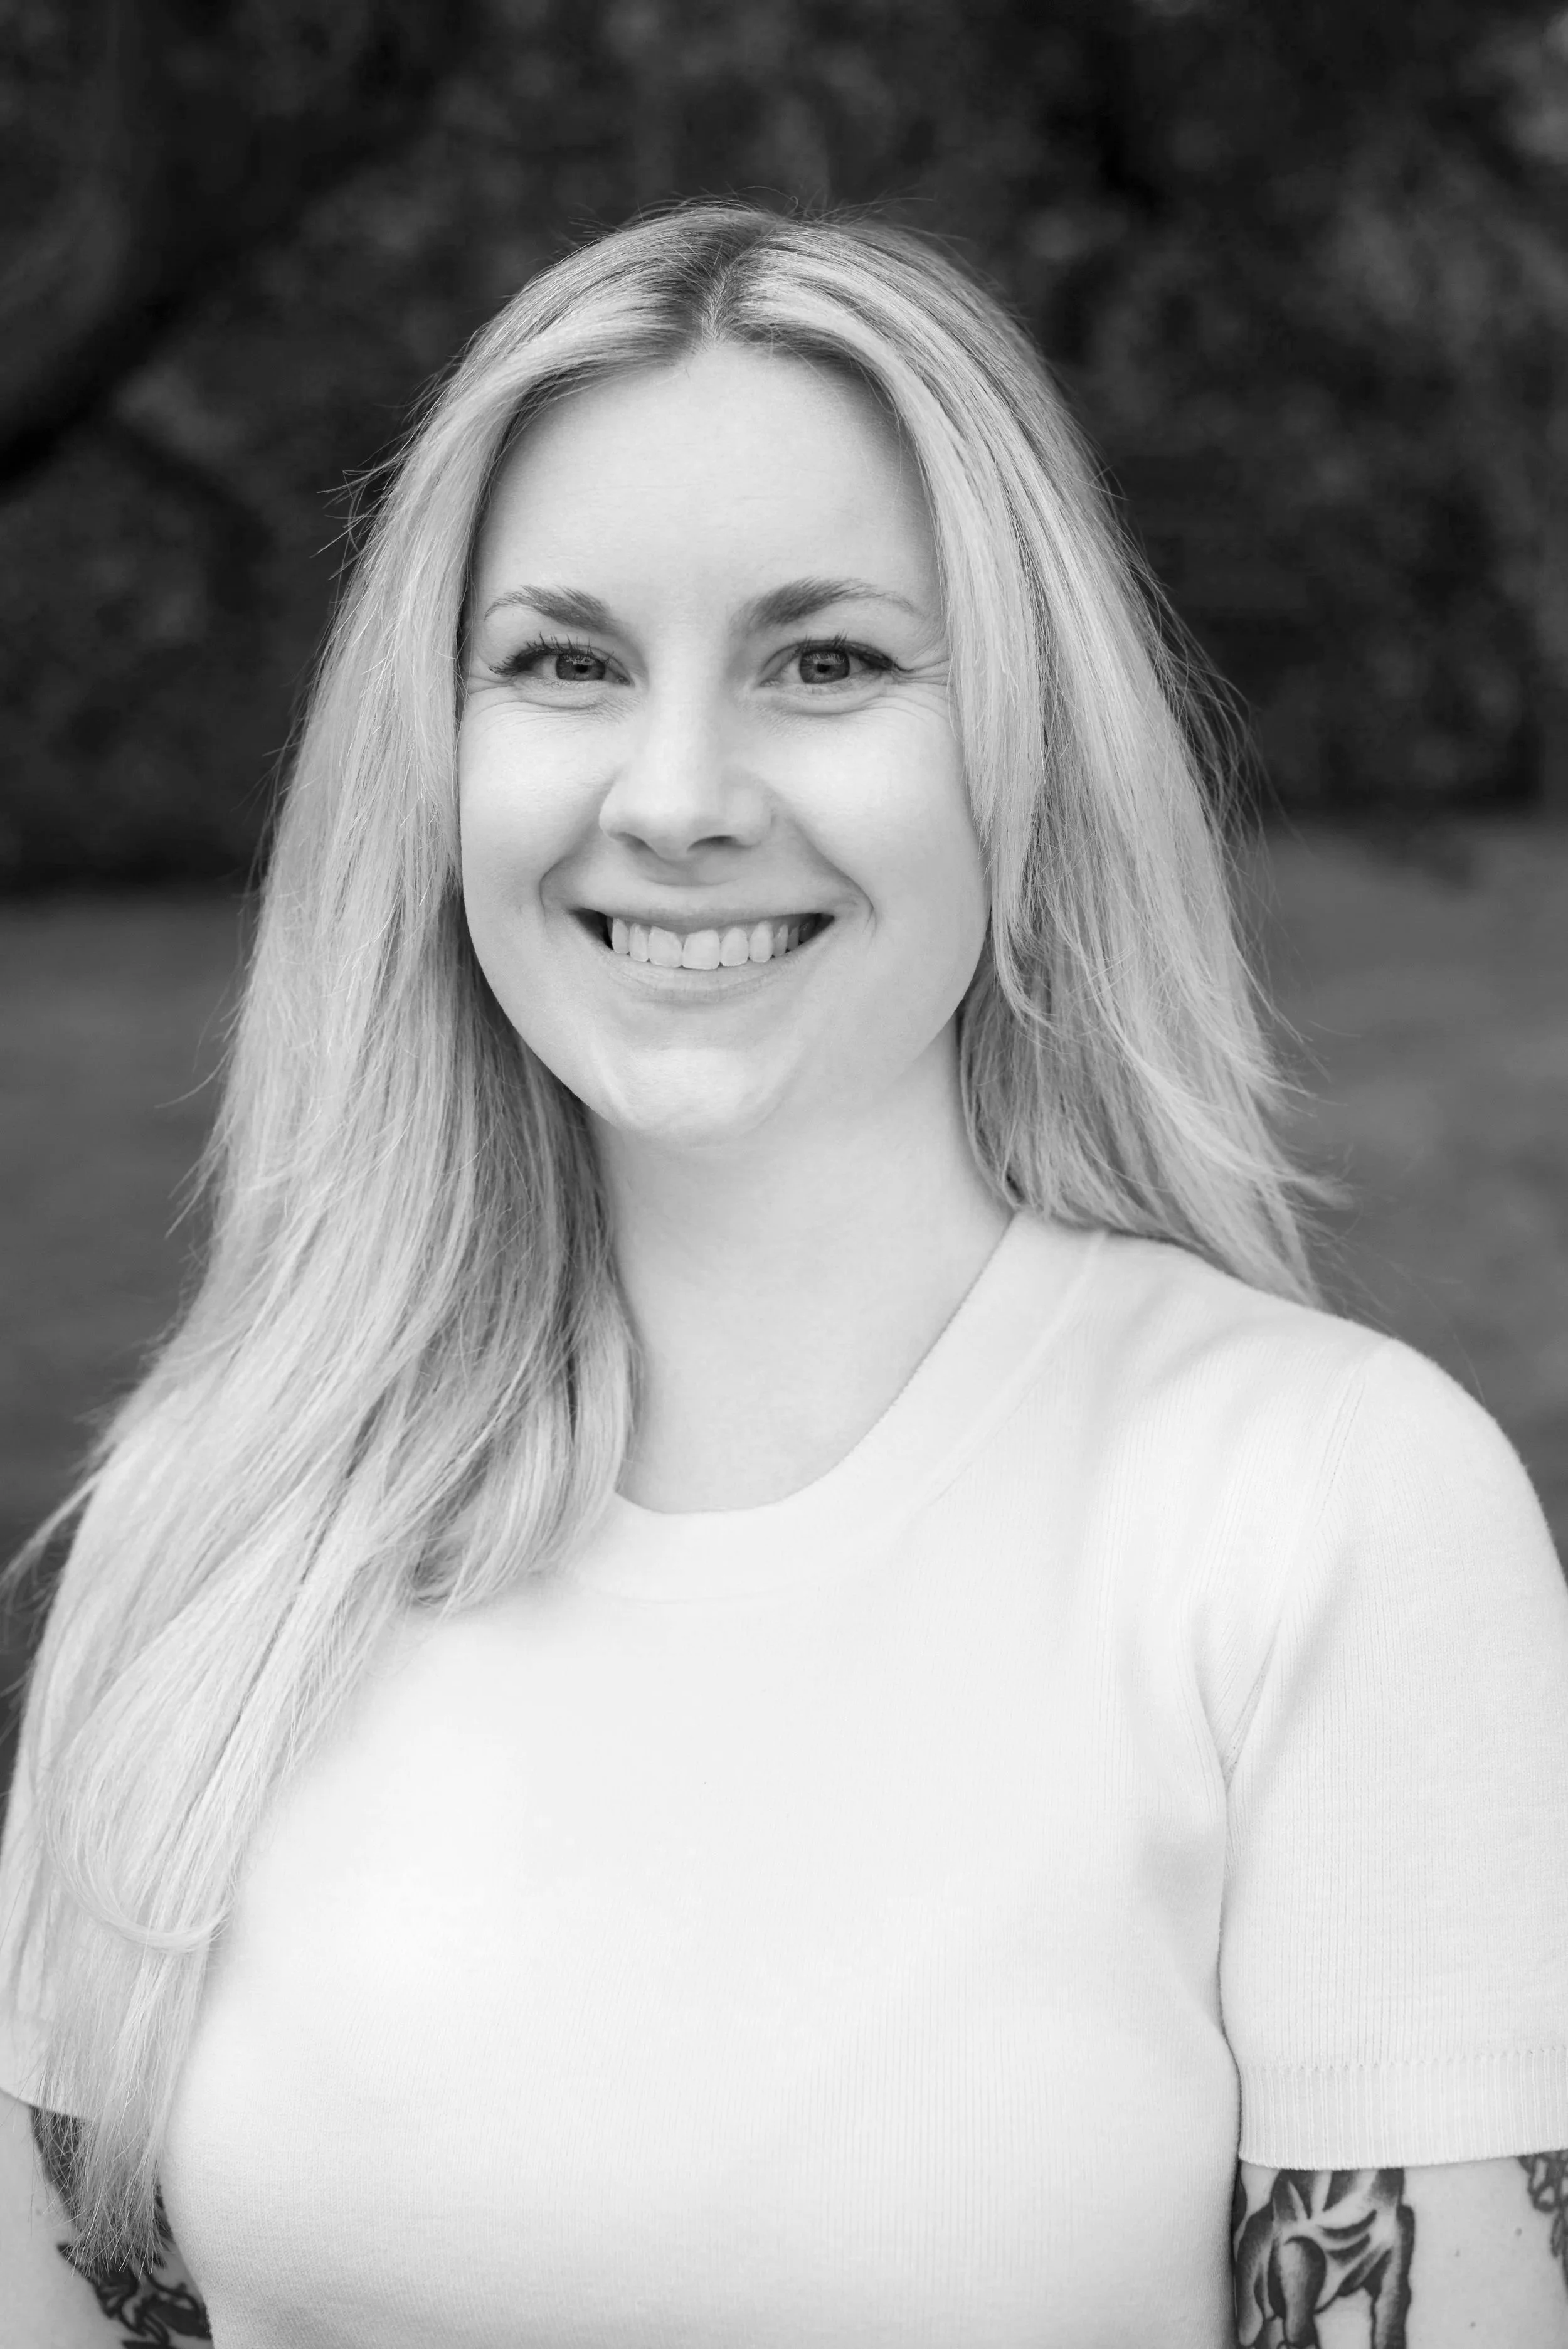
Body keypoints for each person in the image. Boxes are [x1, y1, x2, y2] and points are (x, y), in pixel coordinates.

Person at [1, 200, 1566, 2349]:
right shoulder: (212, 1527)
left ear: (1021, 746)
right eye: (563, 660)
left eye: (824, 659)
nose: (676, 797)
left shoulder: (1323, 1512)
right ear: (431, 758)